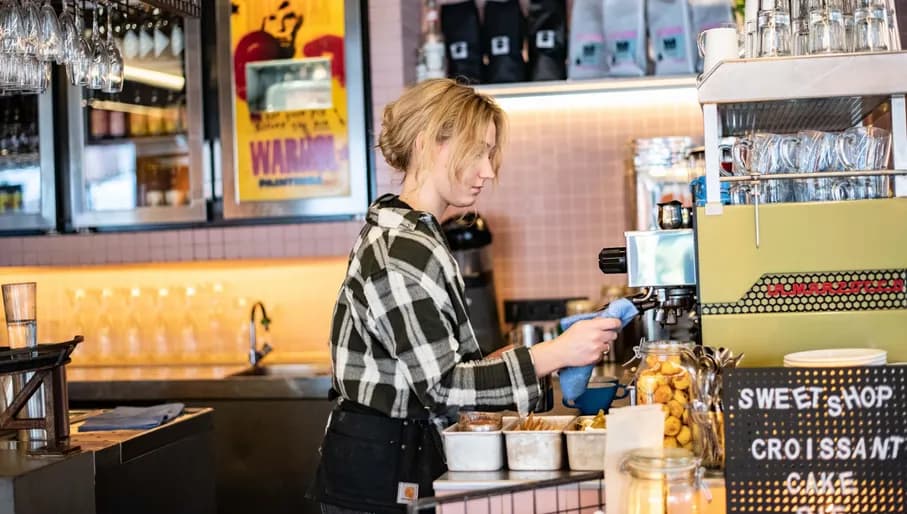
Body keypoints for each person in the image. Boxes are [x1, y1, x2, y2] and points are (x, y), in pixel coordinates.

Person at [309, 78, 621, 514]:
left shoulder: (421, 237)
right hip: (379, 474)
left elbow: (441, 372)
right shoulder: (398, 250)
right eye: (476, 152)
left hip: (401, 458)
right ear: (425, 145)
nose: (489, 171)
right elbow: (442, 387)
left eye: (489, 154)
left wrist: (534, 357)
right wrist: (554, 353)